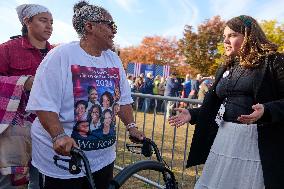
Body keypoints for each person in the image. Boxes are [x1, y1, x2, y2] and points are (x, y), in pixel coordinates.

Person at [25, 1, 144, 189]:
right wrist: (58, 136)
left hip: (103, 158)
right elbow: (44, 103)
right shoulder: (61, 55)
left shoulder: (113, 59)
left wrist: (131, 127)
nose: (114, 31)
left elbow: (123, 99)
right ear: (90, 26)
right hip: (63, 159)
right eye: (110, 25)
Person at [169, 15, 284, 188]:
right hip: (224, 138)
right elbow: (218, 105)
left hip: (255, 142)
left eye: (232, 35)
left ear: (249, 35)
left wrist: (267, 110)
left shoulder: (273, 61)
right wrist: (192, 113)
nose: (226, 41)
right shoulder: (227, 66)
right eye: (224, 37)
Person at [0, 3, 53, 189]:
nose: (49, 26)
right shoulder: (7, 49)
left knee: (42, 179)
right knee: (10, 181)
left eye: (51, 22)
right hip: (15, 129)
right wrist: (24, 82)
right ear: (27, 21)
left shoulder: (56, 53)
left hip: (49, 126)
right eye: (43, 20)